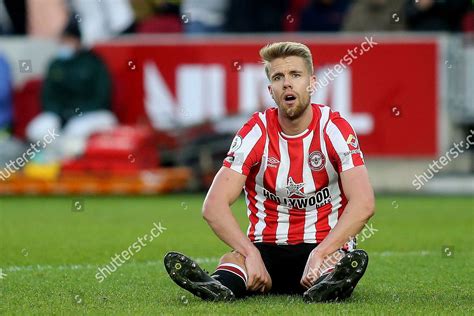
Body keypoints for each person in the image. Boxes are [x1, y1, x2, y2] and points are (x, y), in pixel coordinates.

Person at [164, 42, 375, 302]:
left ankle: (330, 282)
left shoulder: (335, 129)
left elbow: (364, 203)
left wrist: (320, 253)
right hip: (265, 252)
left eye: (295, 75)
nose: (287, 83)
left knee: (335, 263)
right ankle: (218, 285)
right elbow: (213, 206)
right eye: (278, 77)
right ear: (270, 90)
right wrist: (251, 254)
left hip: (322, 245)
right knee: (236, 259)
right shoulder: (255, 131)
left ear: (311, 82)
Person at [26, 17, 117, 160]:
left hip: (91, 114)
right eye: (63, 41)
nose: (65, 45)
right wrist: (61, 114)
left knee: (75, 131)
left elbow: (102, 97)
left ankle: (71, 164)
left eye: (68, 40)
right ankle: (55, 161)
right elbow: (47, 96)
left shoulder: (94, 63)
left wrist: (76, 113)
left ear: (78, 41)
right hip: (61, 115)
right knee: (38, 129)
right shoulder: (56, 64)